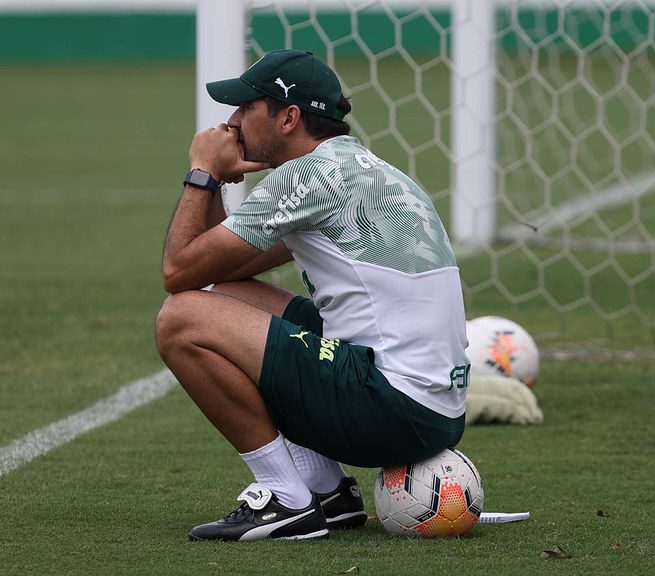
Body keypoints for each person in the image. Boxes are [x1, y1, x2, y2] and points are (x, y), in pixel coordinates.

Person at [155, 49, 471, 542]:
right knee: (228, 294)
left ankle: (286, 497)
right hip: (435, 409)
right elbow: (219, 267)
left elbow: (178, 272)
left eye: (246, 108)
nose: (232, 122)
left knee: (179, 318)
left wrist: (202, 173)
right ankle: (327, 491)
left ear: (288, 117)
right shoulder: (358, 167)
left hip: (393, 407)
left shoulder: (307, 177)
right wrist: (217, 183)